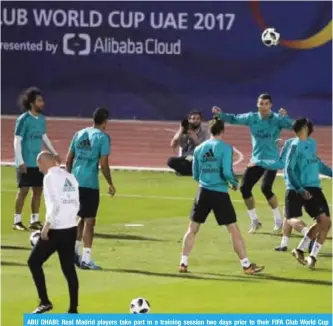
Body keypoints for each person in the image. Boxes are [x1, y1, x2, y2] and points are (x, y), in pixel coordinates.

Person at [179, 118, 264, 275]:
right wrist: (233, 182)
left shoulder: (199, 149)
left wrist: (206, 180)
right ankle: (246, 265)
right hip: (219, 193)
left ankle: (183, 262)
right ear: (222, 130)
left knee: (192, 228)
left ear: (209, 130)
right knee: (233, 229)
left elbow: (195, 174)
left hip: (202, 191)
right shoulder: (225, 148)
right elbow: (226, 172)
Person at [212, 94, 294, 234]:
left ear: (271, 105)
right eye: (261, 103)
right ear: (257, 105)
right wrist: (221, 115)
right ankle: (255, 221)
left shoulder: (276, 119)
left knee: (266, 188)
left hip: (272, 160)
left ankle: (278, 220)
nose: (263, 106)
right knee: (244, 188)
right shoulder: (252, 118)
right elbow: (234, 118)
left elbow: (294, 126)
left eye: (266, 104)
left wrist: (285, 117)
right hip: (256, 160)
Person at [250, 119, 332, 253]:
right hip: (300, 184)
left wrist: (261, 161)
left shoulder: (298, 144)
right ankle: (284, 243)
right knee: (288, 215)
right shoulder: (300, 143)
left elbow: (283, 164)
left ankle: (306, 234)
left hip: (294, 185)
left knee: (289, 217)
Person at [28, 151, 79, 314]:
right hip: (70, 227)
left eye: (39, 164)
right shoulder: (69, 176)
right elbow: (76, 202)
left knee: (34, 262)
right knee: (68, 268)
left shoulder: (49, 177)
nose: (39, 168)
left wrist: (46, 225)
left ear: (44, 162)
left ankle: (44, 301)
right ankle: (73, 309)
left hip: (56, 229)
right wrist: (72, 220)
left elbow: (55, 204)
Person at [66, 107, 116, 270]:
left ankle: (73, 252)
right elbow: (103, 164)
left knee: (79, 218)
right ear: (105, 121)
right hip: (90, 183)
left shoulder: (79, 134)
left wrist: (67, 177)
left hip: (75, 181)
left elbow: (69, 159)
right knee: (90, 221)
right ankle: (86, 258)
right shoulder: (103, 137)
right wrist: (110, 183)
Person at [283, 119, 331, 269]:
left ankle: (308, 253)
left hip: (314, 187)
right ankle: (305, 250)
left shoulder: (311, 144)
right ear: (303, 128)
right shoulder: (295, 146)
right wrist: (300, 189)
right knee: (294, 217)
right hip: (302, 187)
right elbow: (289, 170)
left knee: (325, 222)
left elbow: (317, 163)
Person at [13, 87, 60, 231]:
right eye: (39, 101)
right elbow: (17, 140)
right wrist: (20, 161)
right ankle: (17, 221)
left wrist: (54, 152)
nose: (42, 103)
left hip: (38, 162)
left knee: (38, 190)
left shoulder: (41, 119)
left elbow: (43, 136)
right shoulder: (23, 119)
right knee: (23, 190)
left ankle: (34, 220)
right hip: (25, 162)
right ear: (32, 103)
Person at [168, 111, 208, 176]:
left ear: (200, 120)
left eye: (198, 119)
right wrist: (180, 131)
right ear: (189, 120)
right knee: (171, 161)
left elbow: (205, 148)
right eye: (193, 118)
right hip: (185, 157)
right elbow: (173, 145)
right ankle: (190, 172)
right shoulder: (184, 131)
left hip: (197, 158)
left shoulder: (204, 131)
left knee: (188, 159)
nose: (196, 121)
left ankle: (187, 171)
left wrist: (194, 136)